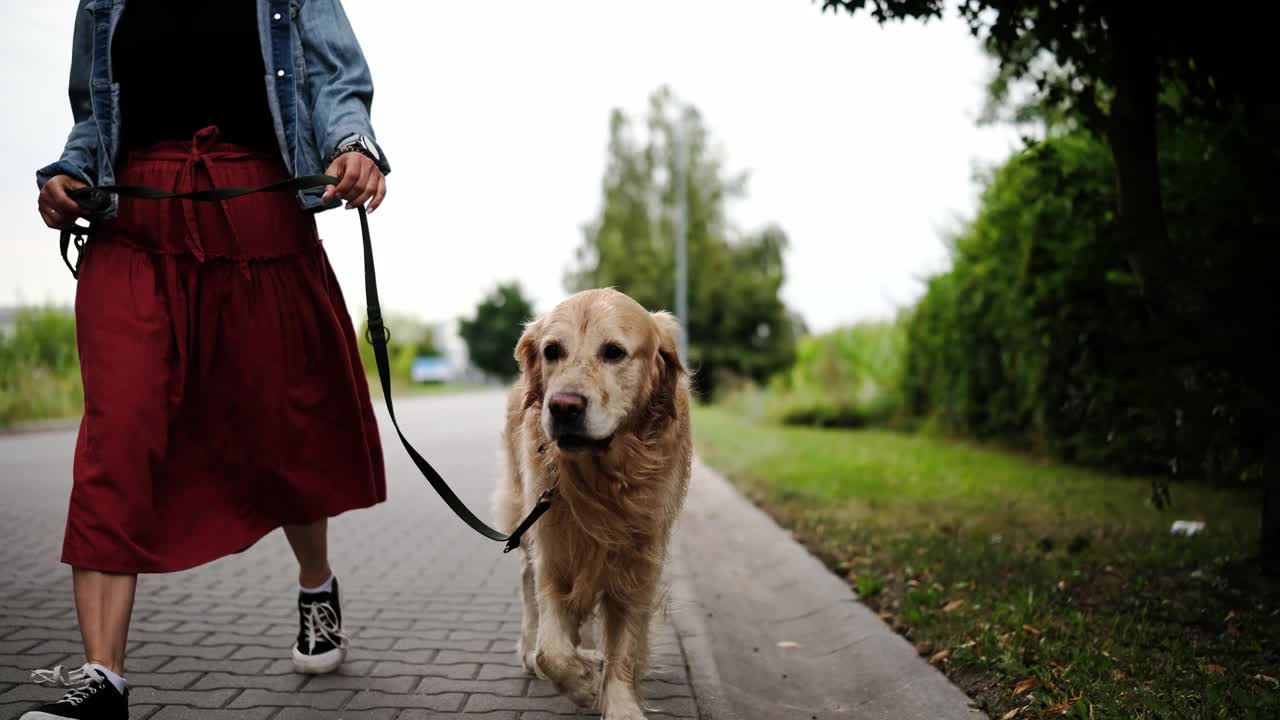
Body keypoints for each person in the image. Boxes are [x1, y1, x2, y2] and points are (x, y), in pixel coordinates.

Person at [28, 2, 389, 718]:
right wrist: (69, 172)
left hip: (257, 227)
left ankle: (315, 584)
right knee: (116, 439)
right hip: (131, 230)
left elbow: (335, 78)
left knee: (283, 433)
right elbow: (95, 114)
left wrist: (353, 144)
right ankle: (104, 681)